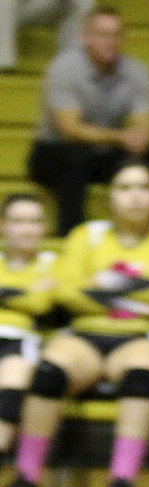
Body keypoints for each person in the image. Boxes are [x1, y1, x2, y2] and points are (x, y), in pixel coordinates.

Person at [0, 160, 149, 487]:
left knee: (140, 375)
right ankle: (26, 478)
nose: (136, 196)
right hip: (85, 335)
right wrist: (139, 297)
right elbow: (68, 292)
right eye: (125, 188)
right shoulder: (85, 236)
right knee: (49, 372)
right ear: (109, 197)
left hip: (141, 337)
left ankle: (121, 483)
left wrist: (104, 286)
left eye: (145, 187)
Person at [27, 7, 149, 235]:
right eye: (102, 34)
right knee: (75, 159)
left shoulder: (136, 71)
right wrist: (122, 136)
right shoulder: (64, 69)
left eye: (115, 35)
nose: (110, 41)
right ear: (85, 38)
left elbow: (146, 121)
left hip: (105, 152)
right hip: (54, 150)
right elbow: (69, 129)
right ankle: (71, 237)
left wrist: (140, 135)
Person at [0, 193, 56, 466]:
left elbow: (42, 303)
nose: (26, 229)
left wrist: (6, 294)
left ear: (45, 228)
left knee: (12, 381)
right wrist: (24, 293)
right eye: (18, 221)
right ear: (3, 226)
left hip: (20, 341)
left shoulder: (53, 264)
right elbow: (31, 297)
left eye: (34, 221)